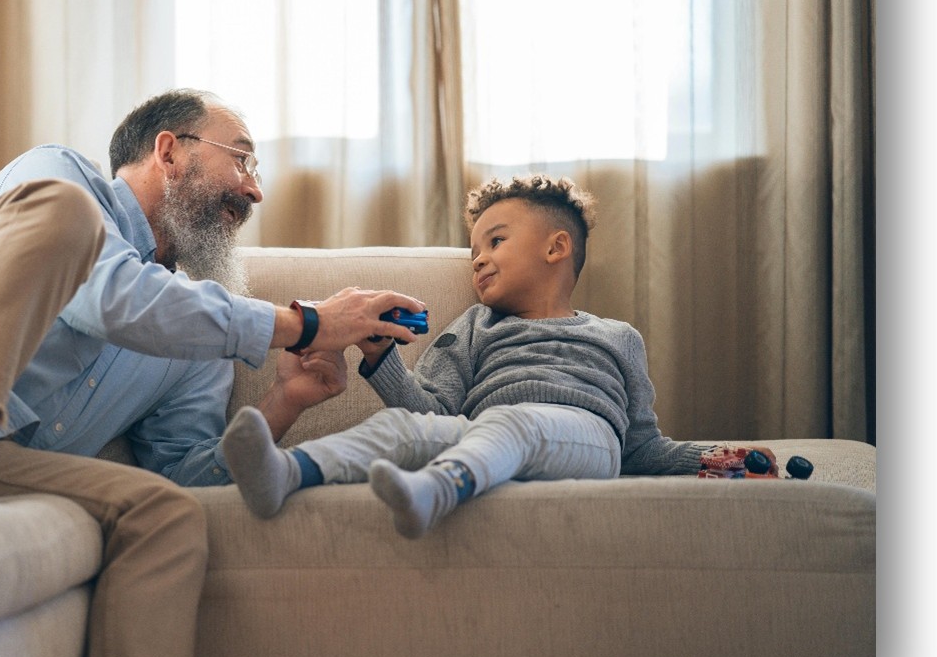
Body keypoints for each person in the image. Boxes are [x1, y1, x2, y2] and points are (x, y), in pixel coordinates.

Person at [0, 88, 424, 657]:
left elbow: (188, 479)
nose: (254, 190)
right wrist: (307, 324)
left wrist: (283, 403)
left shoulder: (199, 337)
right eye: (243, 159)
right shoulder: (62, 179)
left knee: (163, 516)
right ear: (169, 151)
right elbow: (109, 297)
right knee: (62, 216)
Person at [222, 173, 770, 539]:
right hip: (488, 432)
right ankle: (286, 472)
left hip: (586, 441)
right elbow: (434, 411)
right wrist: (382, 356)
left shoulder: (616, 335)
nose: (479, 260)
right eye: (475, 251)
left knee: (512, 422)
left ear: (556, 248)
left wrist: (712, 459)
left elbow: (643, 443)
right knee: (403, 428)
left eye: (496, 242)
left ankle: (436, 491)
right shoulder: (474, 326)